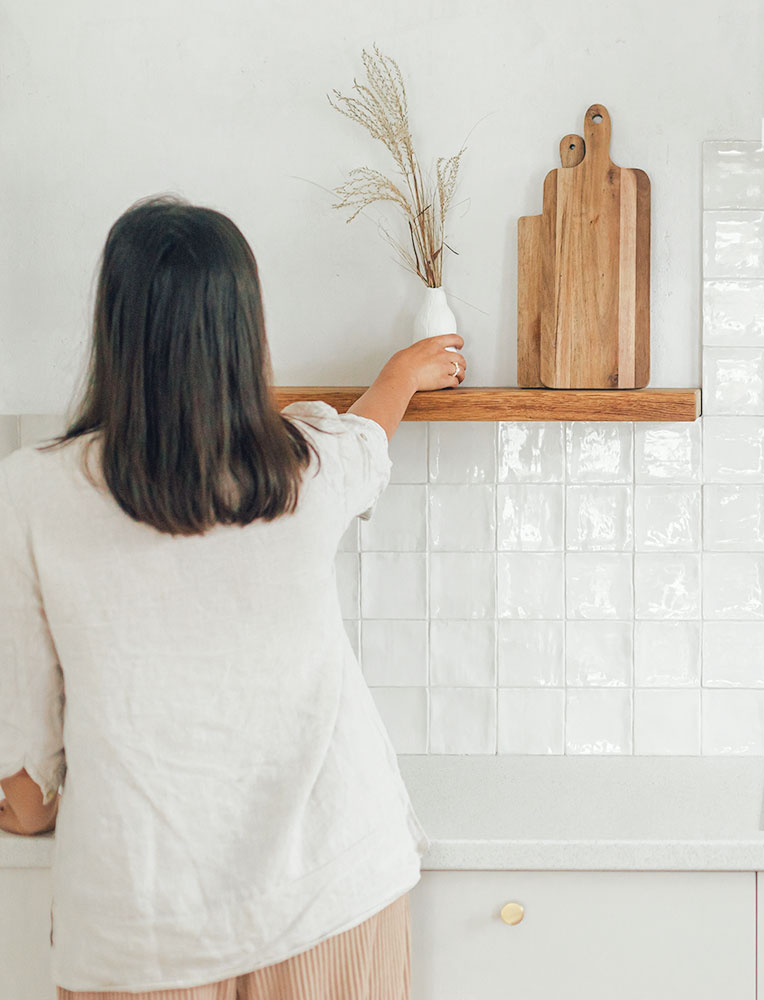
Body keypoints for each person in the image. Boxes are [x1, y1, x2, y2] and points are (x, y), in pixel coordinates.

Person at [0, 196, 464, 998]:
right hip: (335, 893)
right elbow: (370, 439)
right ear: (246, 333)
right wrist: (405, 373)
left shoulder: (35, 493)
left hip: (145, 933)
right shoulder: (307, 469)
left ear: (115, 330)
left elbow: (29, 786)